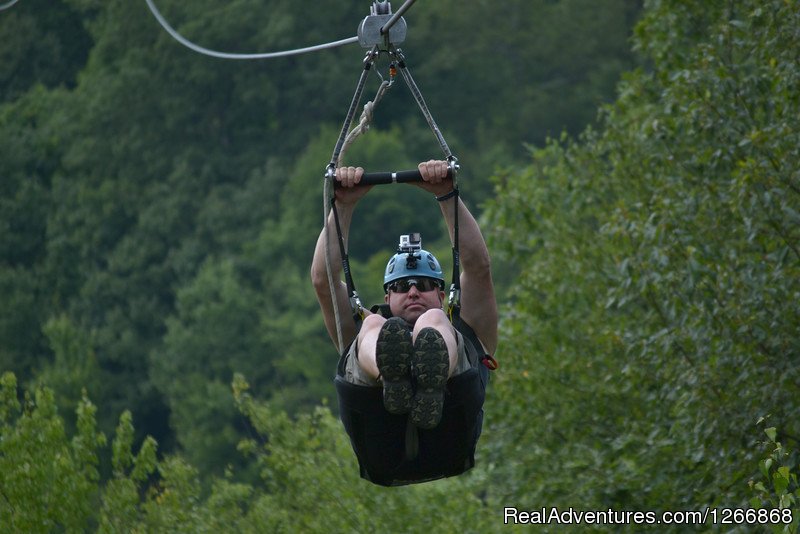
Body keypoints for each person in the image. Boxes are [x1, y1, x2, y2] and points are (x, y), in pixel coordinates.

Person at [310, 159, 498, 485]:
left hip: (446, 438)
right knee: (375, 327)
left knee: (433, 322)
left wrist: (447, 195)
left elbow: (478, 267)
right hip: (382, 441)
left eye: (424, 285)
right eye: (400, 287)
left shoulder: (468, 328)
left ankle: (432, 376)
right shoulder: (364, 327)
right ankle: (389, 373)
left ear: (441, 293)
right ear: (387, 298)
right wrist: (343, 206)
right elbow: (323, 281)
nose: (412, 291)